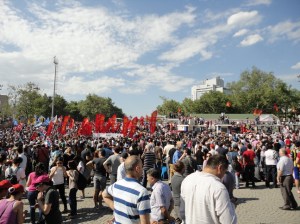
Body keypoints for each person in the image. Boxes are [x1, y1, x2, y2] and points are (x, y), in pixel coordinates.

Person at [180, 154, 237, 224]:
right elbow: (229, 221)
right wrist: (232, 206)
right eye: (224, 172)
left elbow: (182, 212)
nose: (223, 176)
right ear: (220, 168)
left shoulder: (187, 179)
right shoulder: (218, 188)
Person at [102, 155, 151, 224]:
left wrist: (116, 208)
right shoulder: (142, 192)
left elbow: (104, 194)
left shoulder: (116, 185)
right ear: (137, 168)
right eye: (142, 166)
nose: (142, 169)